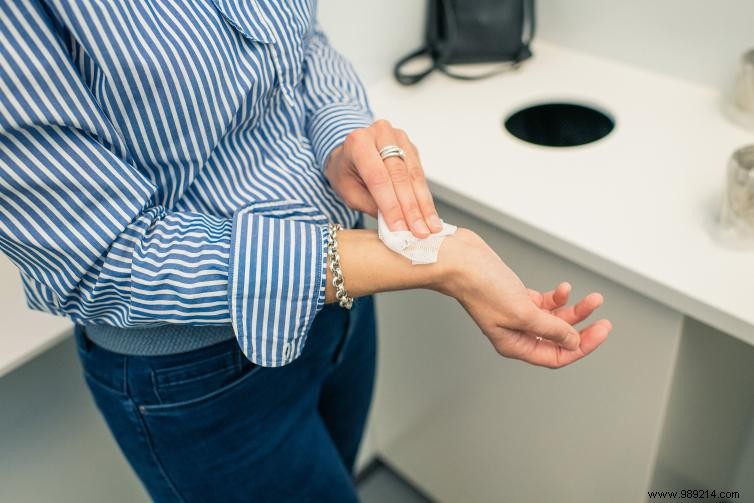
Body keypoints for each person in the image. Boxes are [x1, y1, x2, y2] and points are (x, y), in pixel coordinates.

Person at [0, 1, 612, 501]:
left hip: (345, 308)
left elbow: (304, 45)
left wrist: (344, 133)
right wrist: (437, 260)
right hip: (197, 375)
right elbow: (100, 258)